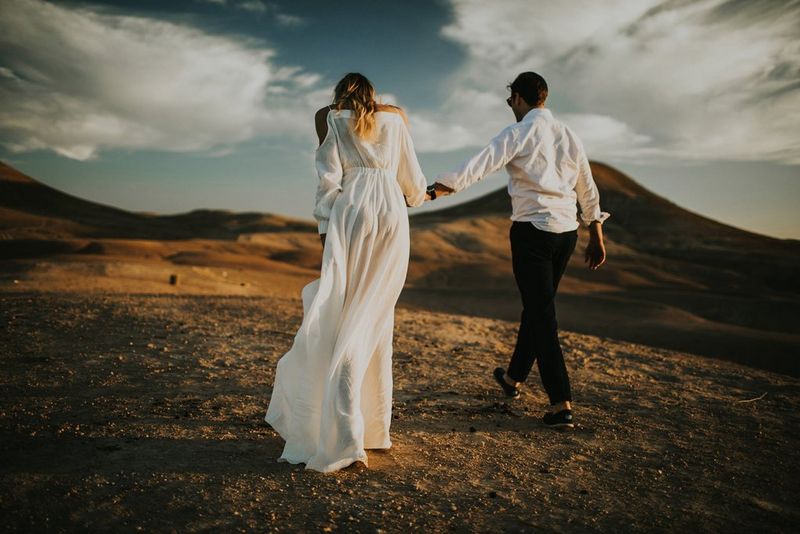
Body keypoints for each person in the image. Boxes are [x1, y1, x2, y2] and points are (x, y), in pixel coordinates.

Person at [264, 73, 428, 472]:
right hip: (391, 215)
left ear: (340, 94)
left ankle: (346, 431)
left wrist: (326, 231)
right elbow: (414, 185)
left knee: (341, 312)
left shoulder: (329, 117)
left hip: (349, 215)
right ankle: (371, 430)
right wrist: (423, 193)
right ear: (374, 93)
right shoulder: (396, 117)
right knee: (376, 315)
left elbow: (327, 180)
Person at [427, 71, 609, 430]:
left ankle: (561, 403)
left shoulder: (519, 132)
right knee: (537, 306)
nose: (510, 105)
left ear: (520, 99)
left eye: (511, 99)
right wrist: (596, 232)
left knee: (542, 315)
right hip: (566, 234)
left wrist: (437, 189)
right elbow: (586, 186)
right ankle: (512, 379)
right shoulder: (569, 134)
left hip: (532, 234)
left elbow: (480, 165)